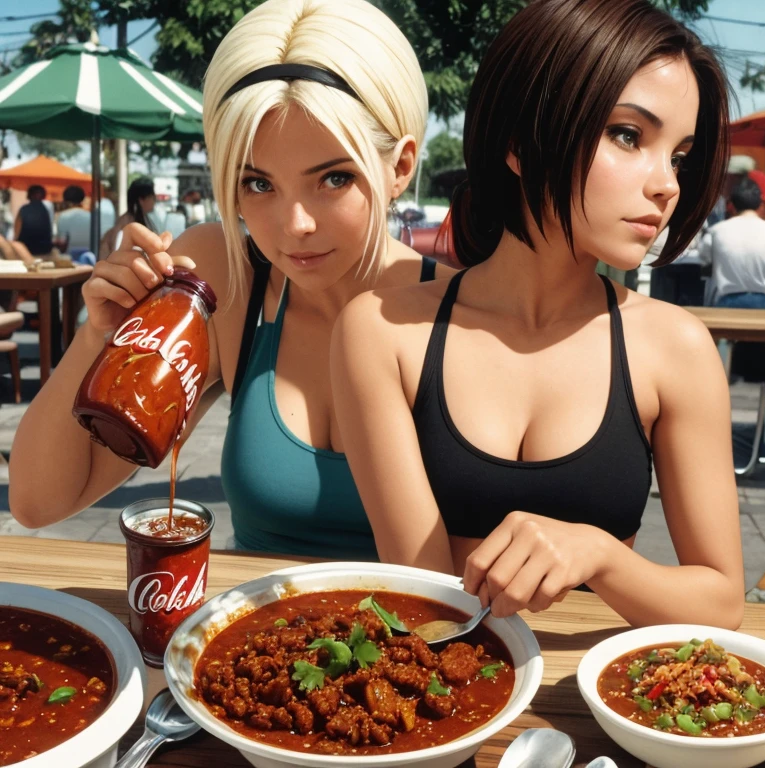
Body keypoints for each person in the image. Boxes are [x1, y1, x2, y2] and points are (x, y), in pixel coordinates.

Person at [332, 0, 743, 628]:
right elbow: (424, 603)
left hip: (596, 702)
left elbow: (721, 602)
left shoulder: (676, 348)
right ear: (521, 142)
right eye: (628, 135)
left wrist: (600, 555)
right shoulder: (381, 331)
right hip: (440, 695)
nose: (667, 184)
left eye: (679, 156)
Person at [9, 0, 451, 560]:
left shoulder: (471, 310)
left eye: (333, 178)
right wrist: (100, 339)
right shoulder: (227, 277)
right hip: (249, 638)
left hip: (430, 643)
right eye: (258, 184)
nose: (295, 226)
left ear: (401, 167)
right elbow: (38, 501)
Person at [697, 177, 765, 309]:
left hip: (728, 302)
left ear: (732, 205)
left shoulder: (715, 231)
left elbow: (705, 262)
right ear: (760, 204)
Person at [98, 177, 156, 259]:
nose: (154, 201)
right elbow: (116, 251)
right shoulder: (127, 224)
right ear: (141, 200)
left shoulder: (138, 219)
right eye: (152, 197)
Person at [14, 185, 52, 257]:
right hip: (44, 250)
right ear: (43, 196)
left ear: (29, 195)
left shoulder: (23, 209)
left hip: (25, 249)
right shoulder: (46, 209)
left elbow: (17, 231)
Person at [57, 185, 91, 253]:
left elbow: (62, 242)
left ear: (65, 199)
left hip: (69, 257)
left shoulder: (63, 216)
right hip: (89, 256)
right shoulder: (90, 216)